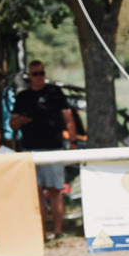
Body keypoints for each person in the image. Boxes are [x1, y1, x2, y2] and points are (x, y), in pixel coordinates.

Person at [9, 61, 77, 240]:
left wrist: (73, 140)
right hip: (31, 148)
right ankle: (42, 233)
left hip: (54, 147)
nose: (40, 76)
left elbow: (68, 116)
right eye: (36, 73)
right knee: (36, 192)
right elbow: (12, 123)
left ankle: (57, 231)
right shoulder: (23, 97)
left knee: (55, 191)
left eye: (42, 73)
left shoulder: (55, 92)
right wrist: (21, 121)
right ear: (29, 76)